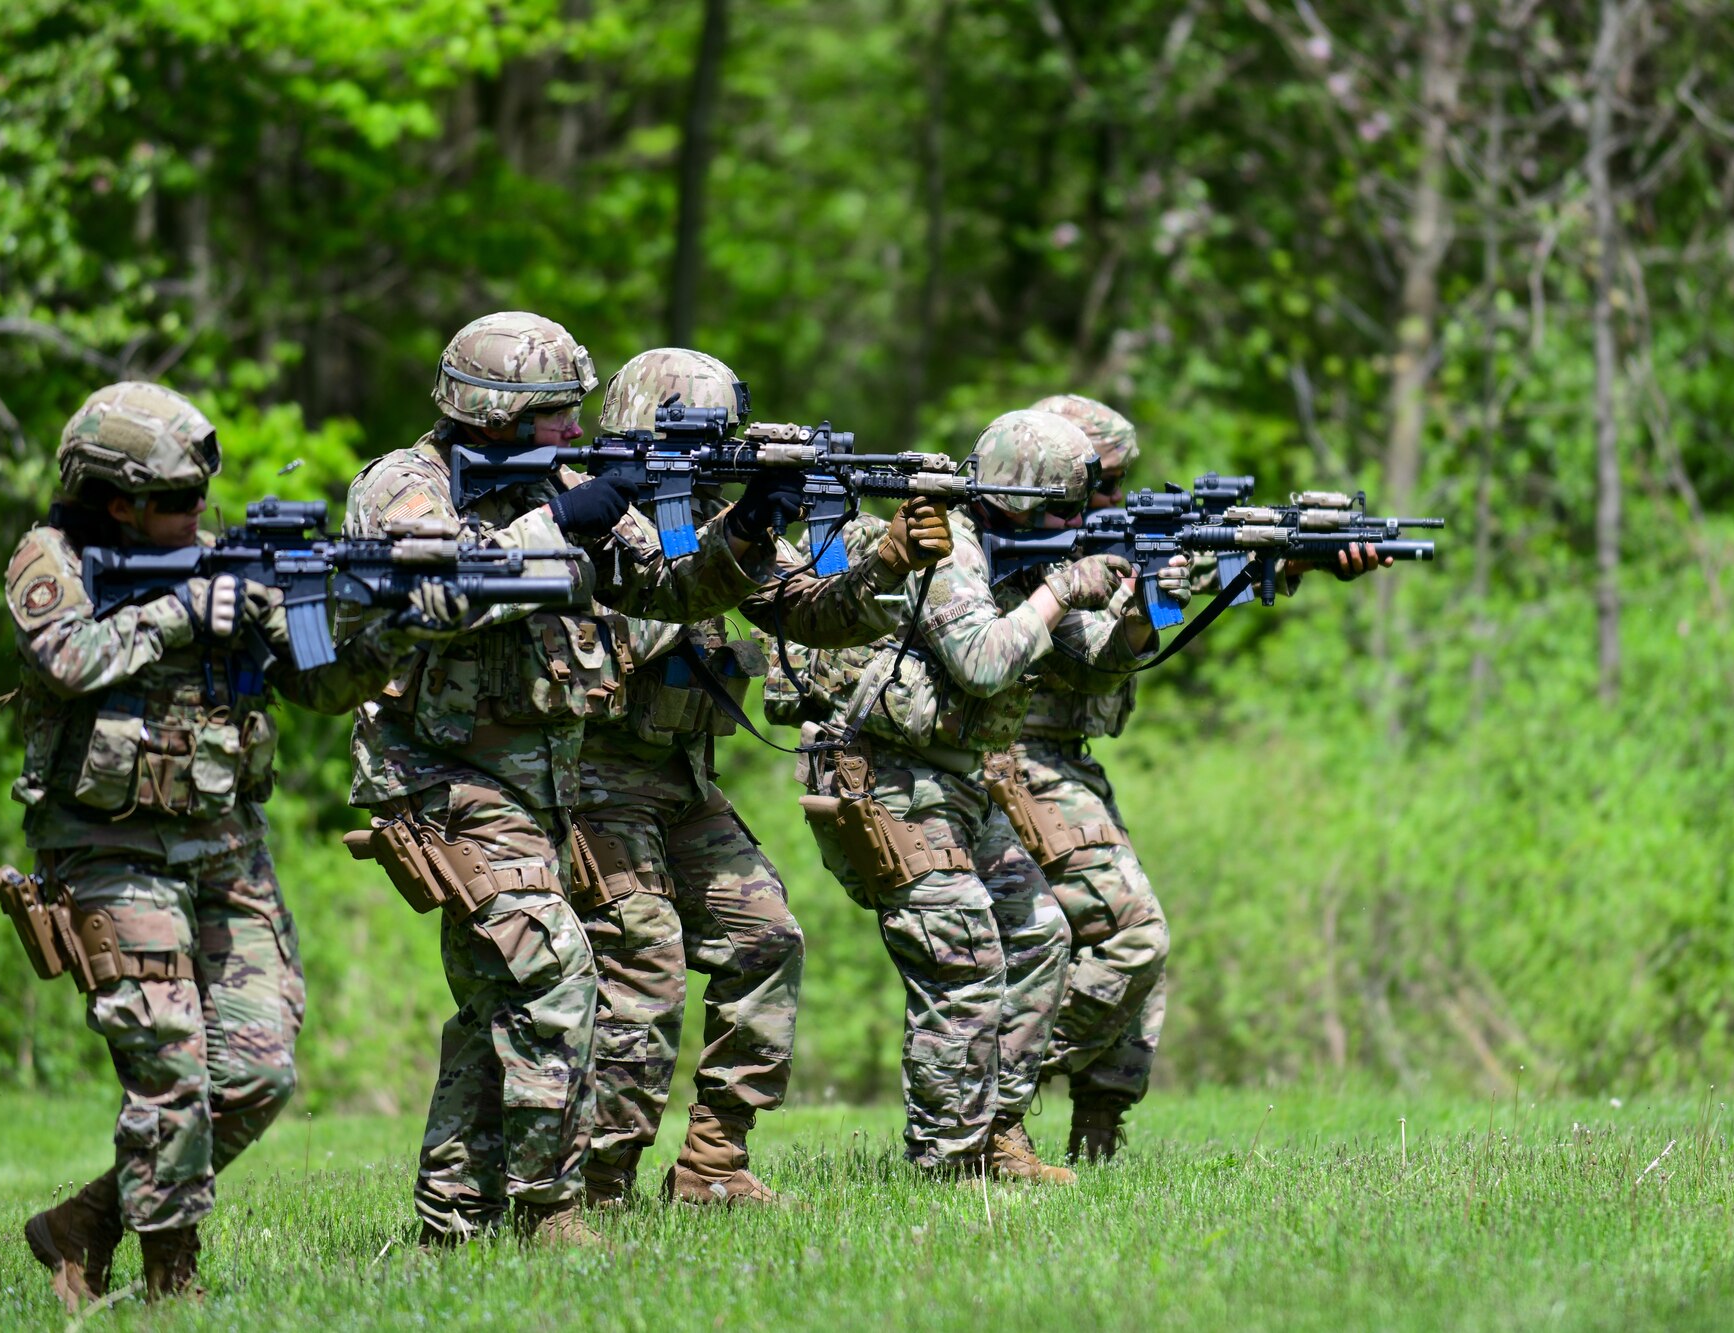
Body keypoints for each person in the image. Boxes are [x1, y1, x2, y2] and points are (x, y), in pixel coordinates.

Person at [341, 313, 803, 1247]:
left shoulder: (563, 481)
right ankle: (551, 1212)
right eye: (556, 413)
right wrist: (560, 520)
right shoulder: (406, 485)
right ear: (497, 414)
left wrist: (752, 520)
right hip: (442, 775)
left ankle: (450, 1228)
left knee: (495, 1002)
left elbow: (668, 590)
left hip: (539, 782)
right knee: (553, 973)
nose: (573, 429)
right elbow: (433, 591)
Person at [9, 382, 459, 1310]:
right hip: (109, 845)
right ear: (115, 499)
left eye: (197, 501)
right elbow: (65, 661)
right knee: (168, 1060)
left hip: (223, 844)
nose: (194, 518)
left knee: (257, 1070)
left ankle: (88, 1220)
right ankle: (173, 1284)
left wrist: (393, 625)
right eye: (175, 503)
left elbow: (323, 688)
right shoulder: (50, 558)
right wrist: (182, 614)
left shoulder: (226, 564)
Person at [571, 348, 954, 1208]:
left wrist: (888, 558)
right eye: (699, 434)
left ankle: (713, 1165)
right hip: (590, 779)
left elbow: (813, 613)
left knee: (766, 938)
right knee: (645, 969)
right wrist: (732, 536)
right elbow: (654, 605)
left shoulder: (713, 516)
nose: (720, 449)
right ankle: (596, 1184)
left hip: (678, 779)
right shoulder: (595, 513)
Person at [768, 408, 1153, 1183]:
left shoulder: (1021, 553)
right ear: (1017, 498)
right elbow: (981, 661)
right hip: (885, 776)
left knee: (1040, 930)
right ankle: (948, 1159)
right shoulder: (948, 548)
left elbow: (1088, 664)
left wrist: (1145, 607)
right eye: (1064, 508)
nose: (1077, 522)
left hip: (957, 779)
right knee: (964, 952)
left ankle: (998, 1132)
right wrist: (1061, 590)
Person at [1022, 393, 1388, 1162]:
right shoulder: (1022, 545)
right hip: (1015, 757)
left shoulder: (1086, 535)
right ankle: (991, 1088)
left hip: (1066, 761)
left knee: (1142, 958)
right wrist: (1148, 595)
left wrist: (1285, 561)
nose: (1116, 498)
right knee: (1134, 936)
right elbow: (1094, 653)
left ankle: (1097, 1137)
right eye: (1106, 481)